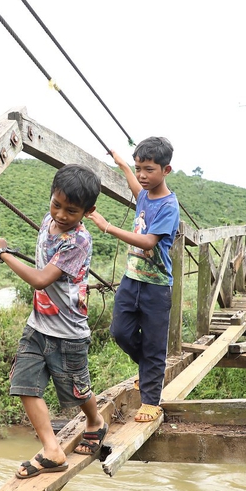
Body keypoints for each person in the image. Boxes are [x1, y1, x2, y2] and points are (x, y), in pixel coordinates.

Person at [0, 163, 109, 479]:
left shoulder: (78, 241)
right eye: (56, 204)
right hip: (37, 325)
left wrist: (4, 254)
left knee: (78, 391)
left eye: (71, 211)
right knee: (24, 384)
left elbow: (42, 279)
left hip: (68, 332)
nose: (60, 215)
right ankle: (52, 450)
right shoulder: (49, 220)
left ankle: (96, 422)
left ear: (87, 211)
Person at [87, 137, 180, 423]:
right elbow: (134, 186)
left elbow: (149, 242)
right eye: (139, 167)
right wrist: (122, 164)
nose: (142, 175)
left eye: (149, 169)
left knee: (153, 344)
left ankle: (151, 400)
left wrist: (107, 227)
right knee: (120, 333)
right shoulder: (144, 194)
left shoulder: (169, 206)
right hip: (131, 280)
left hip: (156, 286)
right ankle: (150, 372)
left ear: (166, 170)